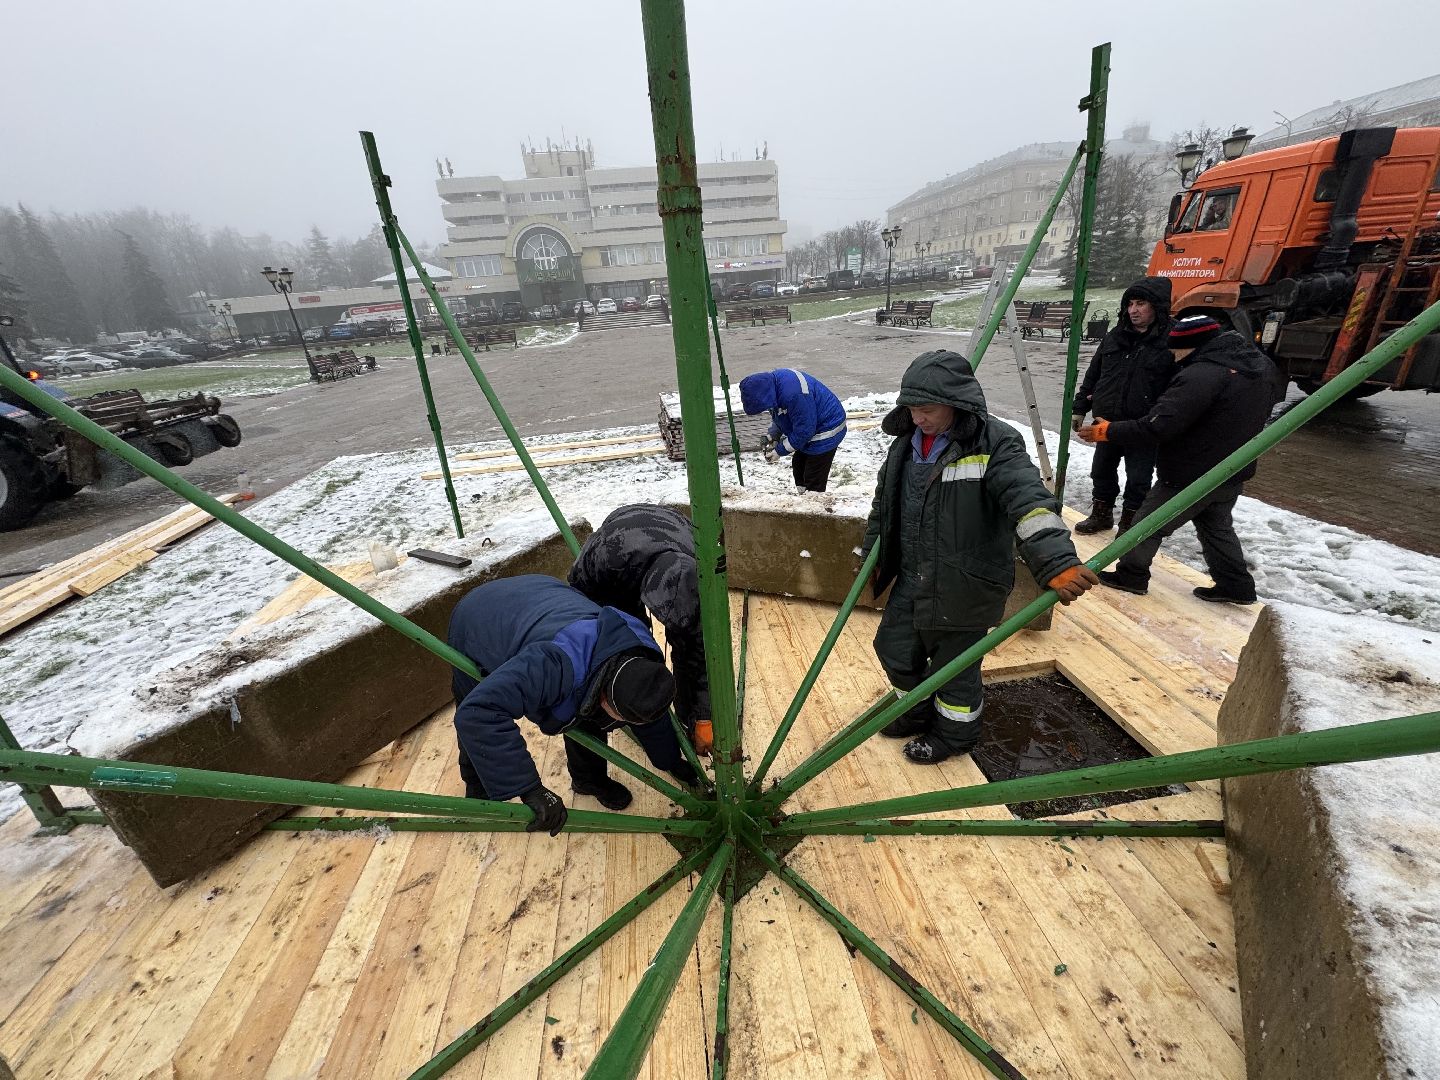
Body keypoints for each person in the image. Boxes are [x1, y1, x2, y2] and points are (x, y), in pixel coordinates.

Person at [861, 349, 1098, 764]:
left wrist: (1056, 561)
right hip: (915, 577)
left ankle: (954, 736)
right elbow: (885, 507)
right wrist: (873, 556)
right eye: (912, 409)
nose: (919, 419)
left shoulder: (997, 443)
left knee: (955, 670)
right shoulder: (904, 446)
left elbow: (1029, 502)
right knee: (894, 649)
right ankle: (915, 709)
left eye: (928, 410)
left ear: (957, 404)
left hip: (965, 582)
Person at [447, 574, 698, 836]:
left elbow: (645, 709)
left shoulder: (639, 647)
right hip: (479, 620)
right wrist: (530, 789)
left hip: (540, 594)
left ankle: (589, 780)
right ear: (604, 697)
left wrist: (669, 760)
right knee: (474, 700)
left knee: (586, 711)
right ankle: (477, 788)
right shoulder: (549, 666)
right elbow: (479, 713)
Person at [1077, 313, 1272, 604]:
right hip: (1232, 468)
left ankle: (1131, 575)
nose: (1172, 355)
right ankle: (1236, 586)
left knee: (1147, 524)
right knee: (1216, 527)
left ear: (1191, 345)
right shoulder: (1257, 366)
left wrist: (1108, 431)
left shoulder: (1201, 375)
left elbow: (1159, 424)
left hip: (1192, 470)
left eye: (1176, 348)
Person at [568, 504, 711, 755]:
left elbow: (700, 653)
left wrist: (704, 716)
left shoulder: (701, 571)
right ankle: (630, 707)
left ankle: (688, 717)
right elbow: (578, 591)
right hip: (617, 563)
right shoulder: (604, 557)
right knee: (628, 644)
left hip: (670, 529)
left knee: (688, 643)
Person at [1070, 277, 1176, 534]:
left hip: (1142, 425)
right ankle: (1102, 514)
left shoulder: (1171, 340)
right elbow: (1094, 374)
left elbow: (1179, 386)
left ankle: (1130, 522)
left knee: (1139, 477)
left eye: (1141, 304)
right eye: (1130, 304)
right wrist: (1080, 406)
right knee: (1101, 470)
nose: (1133, 310)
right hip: (1106, 421)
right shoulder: (1116, 336)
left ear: (1157, 307)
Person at [739, 368, 848, 492]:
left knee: (813, 475)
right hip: (812, 426)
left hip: (827, 430)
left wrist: (779, 451)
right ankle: (804, 500)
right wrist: (773, 435)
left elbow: (804, 431)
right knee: (798, 465)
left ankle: (814, 504)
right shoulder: (772, 387)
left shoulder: (794, 395)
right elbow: (780, 414)